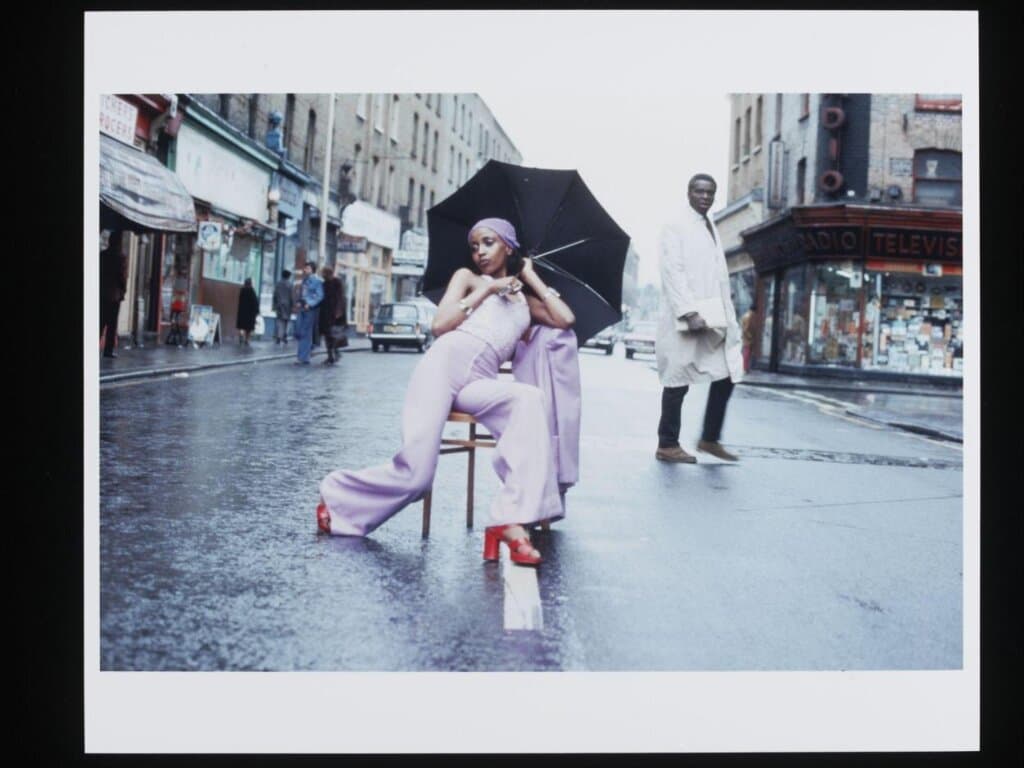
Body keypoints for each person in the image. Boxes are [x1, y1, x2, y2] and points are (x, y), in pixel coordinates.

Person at [316, 218, 576, 566]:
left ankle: (511, 520)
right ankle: (338, 499)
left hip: (479, 380)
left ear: (508, 247)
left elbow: (566, 319)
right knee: (418, 475)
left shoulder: (525, 304)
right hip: (442, 367)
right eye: (475, 246)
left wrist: (530, 276)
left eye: (488, 243)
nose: (479, 252)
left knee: (529, 398)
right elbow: (440, 326)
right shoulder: (467, 279)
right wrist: (487, 289)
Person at [655, 174, 744, 463]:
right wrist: (688, 311)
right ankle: (667, 444)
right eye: (699, 191)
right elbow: (673, 271)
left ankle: (709, 438)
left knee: (728, 371)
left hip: (714, 313)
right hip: (689, 316)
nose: (705, 196)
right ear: (689, 192)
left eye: (710, 192)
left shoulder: (710, 225)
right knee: (677, 377)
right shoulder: (675, 225)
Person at [100, 230, 127, 358]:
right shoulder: (120, 257)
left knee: (100, 321)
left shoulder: (103, 255)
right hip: (114, 295)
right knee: (112, 324)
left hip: (101, 293)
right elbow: (122, 277)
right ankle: (108, 350)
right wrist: (123, 290)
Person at [294, 261, 323, 364]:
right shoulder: (304, 281)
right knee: (298, 331)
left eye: (307, 268)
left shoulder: (317, 281)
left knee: (305, 333)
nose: (305, 270)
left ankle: (302, 357)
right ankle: (310, 348)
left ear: (312, 269)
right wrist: (298, 302)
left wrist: (310, 304)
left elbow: (319, 296)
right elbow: (301, 293)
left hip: (310, 310)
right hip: (301, 308)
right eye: (305, 268)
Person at [318, 266, 348, 365]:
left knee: (334, 335)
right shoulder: (324, 284)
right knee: (327, 336)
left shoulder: (337, 282)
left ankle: (336, 353)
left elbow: (341, 297)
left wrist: (339, 311)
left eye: (323, 273)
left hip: (335, 314)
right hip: (325, 313)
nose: (322, 275)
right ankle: (330, 356)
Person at [235, 277, 260, 346]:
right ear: (251, 284)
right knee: (248, 328)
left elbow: (240, 301)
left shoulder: (242, 290)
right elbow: (255, 302)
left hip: (242, 311)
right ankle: (247, 340)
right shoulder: (252, 291)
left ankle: (240, 334)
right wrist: (257, 311)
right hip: (250, 313)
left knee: (241, 326)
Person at [272, 269, 294, 344]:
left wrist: (274, 305)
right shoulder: (290, 285)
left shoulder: (278, 284)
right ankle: (284, 335)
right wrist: (293, 305)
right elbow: (292, 296)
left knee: (279, 320)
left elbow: (275, 295)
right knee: (286, 321)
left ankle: (279, 336)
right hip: (288, 306)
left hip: (279, 305)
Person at [740, 302, 757, 373]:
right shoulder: (750, 316)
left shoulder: (746, 315)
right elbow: (746, 329)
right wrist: (750, 337)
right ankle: (745, 368)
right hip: (748, 338)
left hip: (746, 337)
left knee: (746, 353)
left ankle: (745, 368)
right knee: (747, 354)